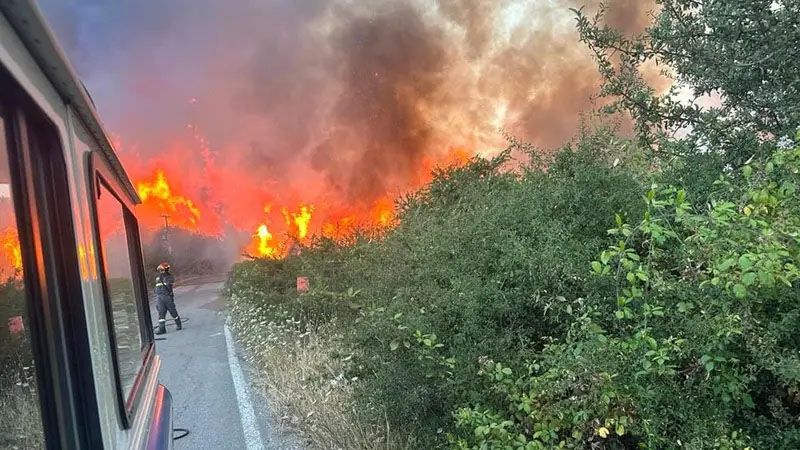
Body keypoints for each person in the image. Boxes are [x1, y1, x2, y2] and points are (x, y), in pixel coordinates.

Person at [154, 262, 182, 335]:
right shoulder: (158, 277)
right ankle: (162, 329)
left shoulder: (168, 277)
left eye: (161, 270)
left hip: (167, 296)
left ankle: (178, 324)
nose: (160, 271)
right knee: (161, 312)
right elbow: (156, 287)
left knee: (172, 311)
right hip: (159, 296)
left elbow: (170, 282)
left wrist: (164, 276)